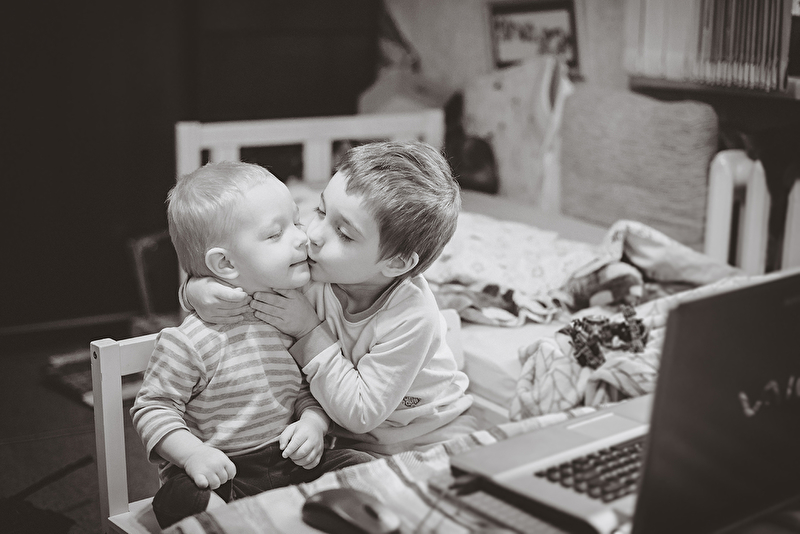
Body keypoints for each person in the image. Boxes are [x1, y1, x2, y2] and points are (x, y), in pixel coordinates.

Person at [184, 141, 477, 457]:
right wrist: (195, 290)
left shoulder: (413, 317)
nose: (313, 234)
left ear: (396, 263)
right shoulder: (312, 268)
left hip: (431, 432)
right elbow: (246, 277)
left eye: (344, 234)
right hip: (340, 436)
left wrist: (309, 331)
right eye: (321, 211)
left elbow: (360, 414)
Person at [131, 161, 373, 529]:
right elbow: (152, 407)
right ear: (225, 264)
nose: (301, 237)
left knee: (361, 467)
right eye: (275, 234)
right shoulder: (189, 341)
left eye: (296, 221)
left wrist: (312, 423)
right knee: (178, 496)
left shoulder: (289, 314)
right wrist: (193, 455)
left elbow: (307, 390)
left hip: (288, 463)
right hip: (225, 475)